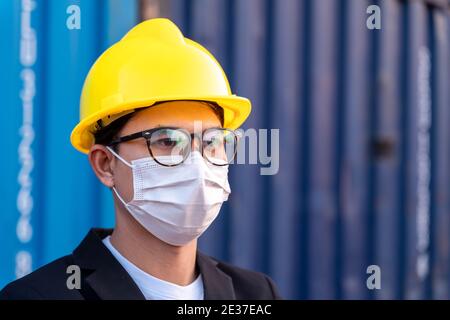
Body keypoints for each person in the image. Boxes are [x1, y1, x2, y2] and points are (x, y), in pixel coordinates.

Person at [0, 18, 281, 300]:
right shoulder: (39, 296)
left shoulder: (256, 293)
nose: (197, 164)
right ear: (105, 164)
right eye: (168, 141)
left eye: (213, 142)